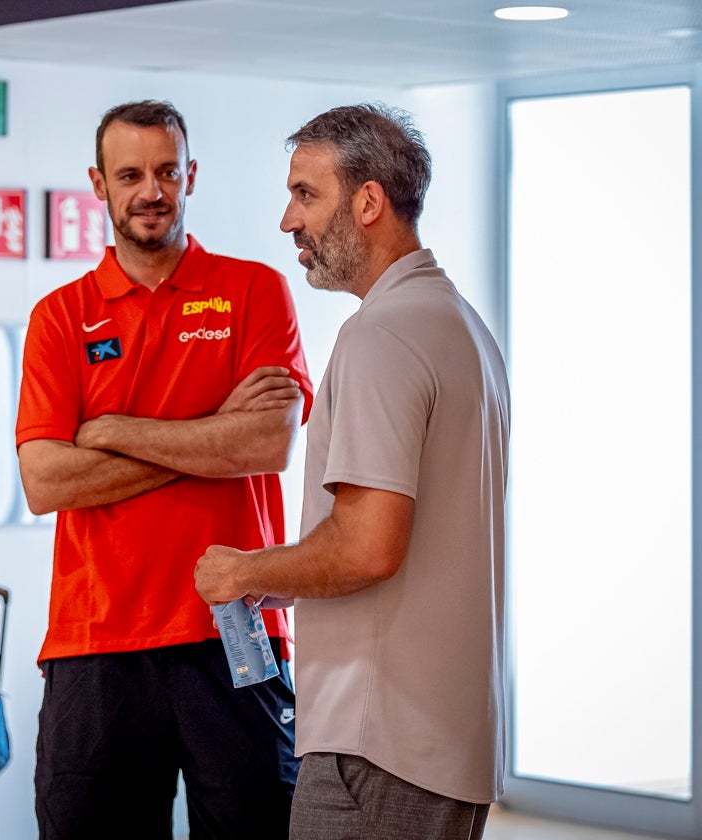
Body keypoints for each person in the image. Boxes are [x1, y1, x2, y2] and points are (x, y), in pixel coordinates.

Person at [194, 103, 511, 840]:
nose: (287, 220)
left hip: (377, 746)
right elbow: (416, 536)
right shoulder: (461, 327)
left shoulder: (382, 336)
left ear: (368, 201)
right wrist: (278, 577)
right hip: (441, 739)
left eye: (306, 194)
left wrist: (246, 571)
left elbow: (369, 546)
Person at [15, 99, 314, 839]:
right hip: (97, 641)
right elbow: (48, 480)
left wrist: (115, 432)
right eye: (131, 174)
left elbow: (267, 443)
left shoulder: (253, 291)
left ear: (191, 176)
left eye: (166, 172)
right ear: (99, 183)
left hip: (235, 631)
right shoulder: (61, 316)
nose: (152, 191)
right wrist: (213, 433)